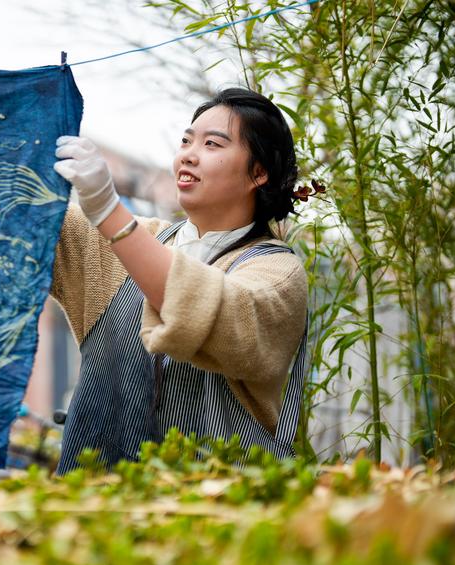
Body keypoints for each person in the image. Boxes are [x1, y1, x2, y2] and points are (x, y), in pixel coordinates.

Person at [51, 88, 308, 474]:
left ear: (259, 172)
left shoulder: (277, 272)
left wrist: (108, 208)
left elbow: (217, 312)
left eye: (211, 144)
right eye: (186, 141)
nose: (188, 153)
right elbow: (19, 210)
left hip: (213, 515)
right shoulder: (123, 243)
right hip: (91, 511)